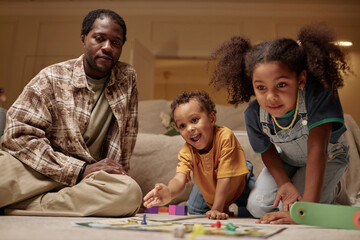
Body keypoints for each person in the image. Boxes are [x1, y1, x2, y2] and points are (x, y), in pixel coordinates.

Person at [0, 9, 142, 217]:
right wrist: (77, 169)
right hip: (38, 168)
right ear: (84, 39)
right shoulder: (51, 76)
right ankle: (48, 200)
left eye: (116, 42)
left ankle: (23, 205)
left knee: (129, 193)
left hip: (87, 179)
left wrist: (118, 175)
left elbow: (126, 138)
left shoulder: (127, 78)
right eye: (99, 39)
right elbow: (18, 135)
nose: (107, 47)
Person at [208, 23, 351, 224]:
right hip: (290, 160)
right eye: (261, 88)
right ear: (252, 85)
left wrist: (305, 213)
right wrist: (284, 183)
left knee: (302, 207)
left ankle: (334, 188)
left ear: (301, 79)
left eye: (281, 85)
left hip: (328, 156)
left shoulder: (318, 95)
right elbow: (267, 150)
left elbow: (318, 151)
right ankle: (305, 187)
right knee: (258, 207)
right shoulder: (253, 114)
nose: (271, 97)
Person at [143, 91, 255, 220]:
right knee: (194, 210)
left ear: (212, 119)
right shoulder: (187, 151)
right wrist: (169, 192)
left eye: (194, 120)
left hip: (238, 182)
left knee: (256, 209)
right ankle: (215, 199)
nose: (189, 129)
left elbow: (225, 178)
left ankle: (234, 205)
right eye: (182, 126)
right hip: (208, 181)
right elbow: (179, 179)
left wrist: (217, 209)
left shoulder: (225, 137)